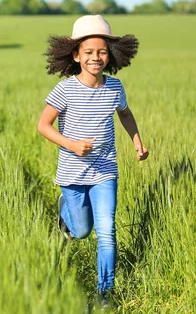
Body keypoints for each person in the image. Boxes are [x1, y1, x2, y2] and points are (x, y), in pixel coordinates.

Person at [37, 15, 149, 307]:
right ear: (75, 55)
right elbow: (44, 126)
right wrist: (71, 144)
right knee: (82, 230)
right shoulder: (65, 90)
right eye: (88, 52)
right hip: (73, 174)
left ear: (109, 54)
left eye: (101, 52)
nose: (95, 57)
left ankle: (104, 293)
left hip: (105, 172)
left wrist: (136, 140)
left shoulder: (114, 88)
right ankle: (66, 212)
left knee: (107, 232)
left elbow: (124, 114)